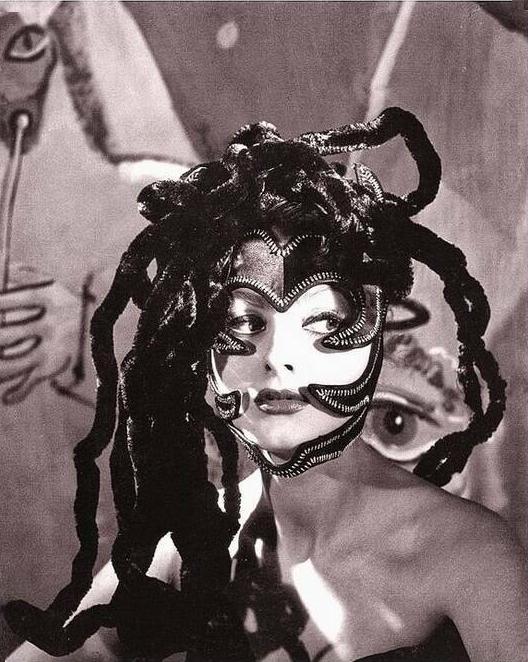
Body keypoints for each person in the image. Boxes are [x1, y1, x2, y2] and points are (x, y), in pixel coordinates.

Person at [5, 109, 528, 662]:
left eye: (323, 323)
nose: (277, 359)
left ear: (376, 330)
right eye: (244, 323)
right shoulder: (196, 542)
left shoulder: (469, 557)